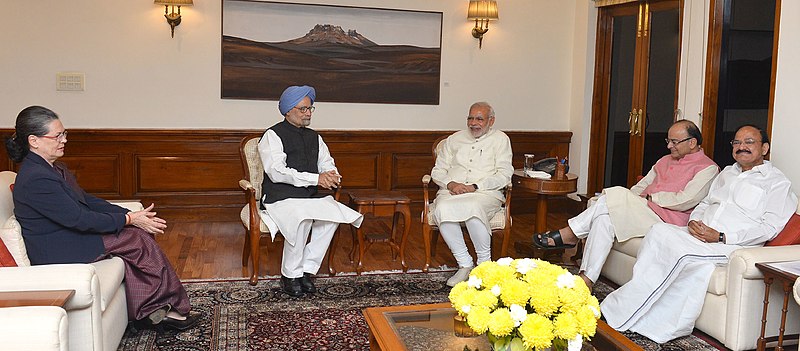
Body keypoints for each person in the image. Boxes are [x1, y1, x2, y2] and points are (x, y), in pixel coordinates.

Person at [5, 106, 201, 331]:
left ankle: (152, 310)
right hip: (58, 249)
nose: (64, 140)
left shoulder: (52, 168)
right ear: (34, 140)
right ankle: (169, 308)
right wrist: (129, 221)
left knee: (137, 236)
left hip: (68, 237)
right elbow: (79, 219)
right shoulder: (36, 178)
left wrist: (127, 214)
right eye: (57, 135)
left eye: (64, 133)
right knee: (136, 240)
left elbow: (85, 200)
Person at [600, 124, 798, 343]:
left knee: (679, 253)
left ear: (764, 148)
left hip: (729, 246)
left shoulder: (776, 182)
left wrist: (722, 236)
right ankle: (648, 315)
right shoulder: (727, 173)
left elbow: (769, 228)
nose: (742, 147)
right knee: (659, 231)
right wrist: (694, 220)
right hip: (700, 235)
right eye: (737, 142)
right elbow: (705, 202)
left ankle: (621, 313)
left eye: (749, 142)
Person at [531, 120, 718, 290]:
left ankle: (571, 234)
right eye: (668, 141)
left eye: (674, 142)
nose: (669, 146)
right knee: (604, 217)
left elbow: (687, 199)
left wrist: (651, 198)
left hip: (667, 219)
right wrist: (630, 199)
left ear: (692, 142)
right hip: (644, 210)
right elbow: (642, 185)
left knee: (615, 195)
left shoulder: (707, 168)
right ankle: (586, 279)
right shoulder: (664, 160)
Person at [258, 85, 363, 297]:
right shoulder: (272, 135)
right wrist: (316, 178)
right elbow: (278, 172)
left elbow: (326, 163)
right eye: (303, 109)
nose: (307, 113)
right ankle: (290, 275)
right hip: (280, 197)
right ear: (288, 110)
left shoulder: (315, 137)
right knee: (302, 217)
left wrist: (332, 174)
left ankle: (305, 269)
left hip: (308, 195)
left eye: (310, 109)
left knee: (333, 216)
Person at [430, 102, 514, 287]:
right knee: (442, 208)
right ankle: (465, 264)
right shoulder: (454, 139)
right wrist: (450, 183)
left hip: (485, 192)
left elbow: (504, 174)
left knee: (473, 207)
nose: (473, 123)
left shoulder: (501, 140)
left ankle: (484, 265)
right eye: (470, 118)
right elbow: (438, 171)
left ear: (491, 121)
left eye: (479, 119)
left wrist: (476, 186)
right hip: (452, 190)